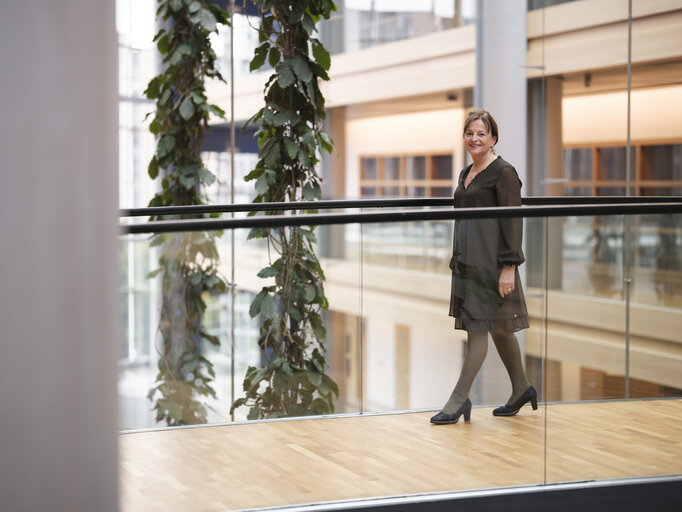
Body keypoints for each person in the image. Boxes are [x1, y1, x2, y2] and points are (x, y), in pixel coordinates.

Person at [430, 109, 537, 425]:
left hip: (492, 266)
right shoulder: (466, 173)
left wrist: (509, 267)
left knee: (478, 332)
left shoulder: (504, 172)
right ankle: (521, 388)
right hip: (468, 263)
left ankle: (458, 400)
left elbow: (512, 221)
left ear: (493, 138)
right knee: (501, 328)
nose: (474, 139)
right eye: (469, 133)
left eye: (481, 133)